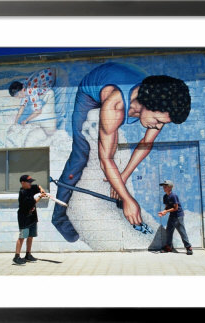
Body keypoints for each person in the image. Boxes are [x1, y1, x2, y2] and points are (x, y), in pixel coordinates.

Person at [51, 62, 191, 242]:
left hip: (120, 86)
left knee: (117, 167)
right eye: (157, 120)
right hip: (90, 94)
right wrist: (128, 200)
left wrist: (123, 176)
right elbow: (106, 159)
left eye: (162, 123)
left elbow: (146, 143)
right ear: (145, 104)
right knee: (81, 153)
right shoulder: (115, 106)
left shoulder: (159, 108)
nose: (157, 126)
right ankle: (59, 215)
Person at [13, 175, 47, 265]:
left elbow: (38, 186)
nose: (30, 184)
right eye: (29, 182)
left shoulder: (30, 188)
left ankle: (28, 254)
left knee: (30, 236)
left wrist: (41, 189)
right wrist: (40, 196)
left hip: (32, 217)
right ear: (23, 183)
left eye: (31, 182)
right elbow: (32, 203)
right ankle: (16, 257)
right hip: (24, 218)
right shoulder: (23, 193)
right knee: (22, 237)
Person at [158, 180, 193, 255]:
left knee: (182, 232)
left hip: (178, 216)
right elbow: (167, 207)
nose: (164, 187)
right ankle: (169, 247)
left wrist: (166, 211)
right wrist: (163, 212)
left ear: (170, 187)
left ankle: (188, 247)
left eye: (165, 186)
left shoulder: (173, 196)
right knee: (168, 231)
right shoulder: (165, 196)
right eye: (163, 186)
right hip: (172, 216)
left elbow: (176, 208)